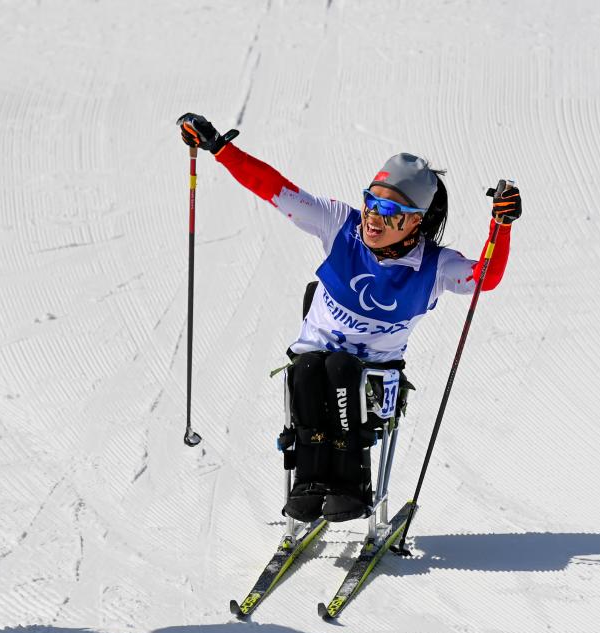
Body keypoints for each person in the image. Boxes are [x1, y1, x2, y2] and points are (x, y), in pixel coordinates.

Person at [176, 113, 522, 523]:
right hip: (314, 363)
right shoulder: (341, 225)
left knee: (340, 367)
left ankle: (350, 483)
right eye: (370, 202)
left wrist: (499, 226)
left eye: (388, 210)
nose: (373, 217)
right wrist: (220, 148)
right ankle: (309, 481)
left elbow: (485, 277)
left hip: (376, 379)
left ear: (415, 220)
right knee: (306, 369)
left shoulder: (435, 265)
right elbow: (275, 190)